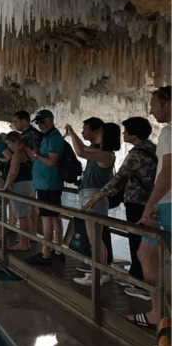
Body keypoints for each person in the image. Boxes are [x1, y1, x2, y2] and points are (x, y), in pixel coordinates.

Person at [83, 117, 157, 297]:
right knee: (145, 243)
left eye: (125, 131)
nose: (123, 134)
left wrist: (97, 197)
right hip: (151, 201)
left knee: (137, 243)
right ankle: (137, 277)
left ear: (134, 133)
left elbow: (119, 178)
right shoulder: (153, 149)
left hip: (137, 202)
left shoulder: (136, 154)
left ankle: (143, 285)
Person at [127, 86, 171, 330]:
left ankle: (157, 313)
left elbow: (168, 172)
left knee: (146, 254)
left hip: (167, 204)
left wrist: (149, 207)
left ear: (169, 104)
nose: (151, 110)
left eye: (155, 104)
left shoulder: (168, 131)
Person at [66, 119, 120, 286]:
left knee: (95, 239)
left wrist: (72, 133)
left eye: (100, 132)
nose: (97, 135)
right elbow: (83, 148)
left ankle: (98, 274)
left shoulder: (106, 154)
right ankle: (101, 272)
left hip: (94, 198)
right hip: (90, 197)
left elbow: (80, 152)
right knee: (95, 239)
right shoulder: (101, 152)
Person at [26, 109, 65, 266]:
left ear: (50, 120)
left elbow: (52, 161)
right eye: (39, 122)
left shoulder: (53, 138)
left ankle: (46, 253)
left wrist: (36, 155)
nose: (41, 125)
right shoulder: (48, 137)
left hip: (49, 184)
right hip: (46, 184)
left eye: (43, 121)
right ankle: (58, 250)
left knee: (48, 218)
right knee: (54, 217)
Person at [0, 132, 35, 250]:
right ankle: (27, 240)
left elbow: (13, 172)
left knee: (22, 216)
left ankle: (23, 243)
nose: (9, 147)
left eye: (10, 143)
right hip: (30, 184)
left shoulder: (17, 154)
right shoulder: (29, 151)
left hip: (18, 186)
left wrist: (5, 187)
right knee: (26, 214)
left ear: (16, 142)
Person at [12, 110, 43, 234]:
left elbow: (28, 156)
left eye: (16, 121)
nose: (14, 124)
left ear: (25, 120)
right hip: (34, 174)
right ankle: (33, 232)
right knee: (31, 204)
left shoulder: (28, 135)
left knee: (29, 206)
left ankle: (30, 233)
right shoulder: (33, 133)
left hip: (29, 174)